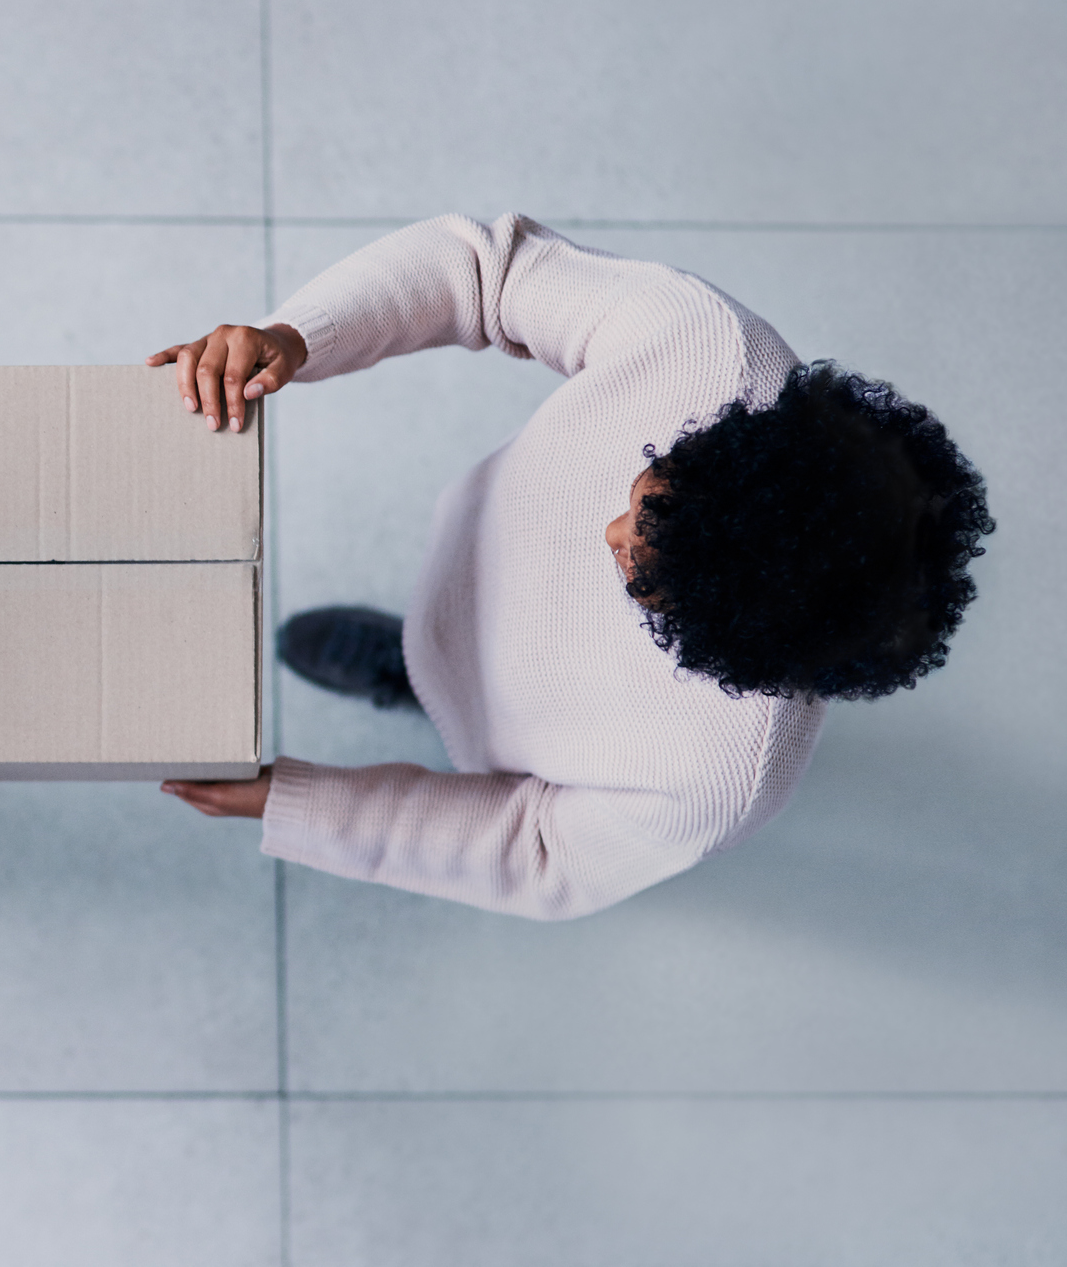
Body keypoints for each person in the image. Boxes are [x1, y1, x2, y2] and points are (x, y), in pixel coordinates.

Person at [151, 213, 993, 919]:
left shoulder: (717, 782)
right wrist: (296, 335)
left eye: (642, 575)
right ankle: (418, 648)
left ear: (725, 646)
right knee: (442, 624)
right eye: (645, 489)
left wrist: (297, 804)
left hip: (519, 726)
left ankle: (412, 680)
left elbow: (535, 852)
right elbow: (487, 272)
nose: (607, 533)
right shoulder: (708, 352)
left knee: (451, 697)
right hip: (476, 533)